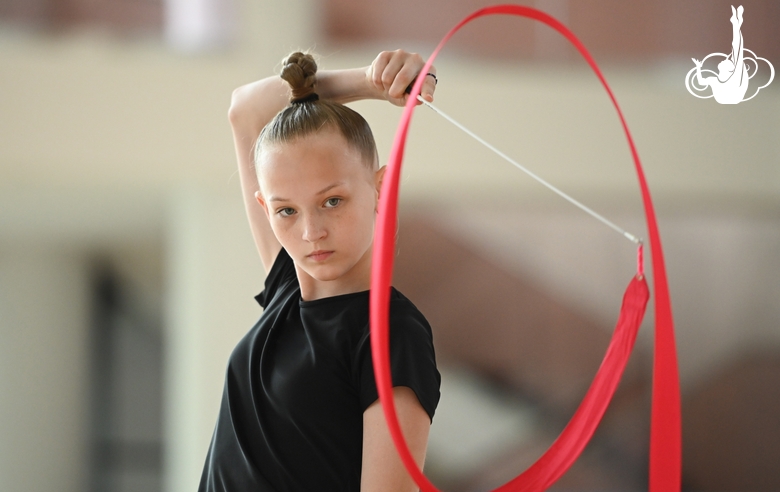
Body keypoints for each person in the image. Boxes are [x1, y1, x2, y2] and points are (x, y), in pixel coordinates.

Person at [197, 50, 441, 492]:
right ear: (265, 210)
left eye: (332, 201)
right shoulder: (287, 288)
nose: (310, 233)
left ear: (380, 188)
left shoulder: (391, 332)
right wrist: (368, 82)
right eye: (286, 210)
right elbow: (246, 108)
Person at [692, 5, 748, 104]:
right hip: (725, 102)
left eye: (728, 61)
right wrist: (698, 67)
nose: (725, 59)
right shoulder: (714, 80)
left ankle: (736, 23)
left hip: (732, 101)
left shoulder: (735, 78)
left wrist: (736, 26)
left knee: (737, 49)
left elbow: (737, 48)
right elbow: (701, 82)